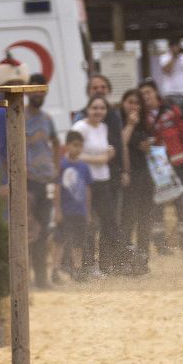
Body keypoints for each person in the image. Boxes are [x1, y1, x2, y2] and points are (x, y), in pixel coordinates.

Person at [140, 79, 183, 255]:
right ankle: (161, 246)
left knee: (181, 203)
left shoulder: (172, 111)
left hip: (177, 164)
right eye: (142, 95)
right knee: (157, 204)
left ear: (155, 93)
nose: (145, 97)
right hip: (156, 168)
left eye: (148, 92)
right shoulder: (141, 117)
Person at [70, 96, 118, 275]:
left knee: (108, 222)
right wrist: (100, 159)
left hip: (102, 181)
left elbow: (106, 152)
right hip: (84, 182)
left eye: (102, 108)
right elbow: (73, 153)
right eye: (94, 108)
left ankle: (105, 263)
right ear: (87, 109)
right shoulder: (80, 128)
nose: (98, 111)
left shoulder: (103, 128)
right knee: (87, 223)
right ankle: (85, 265)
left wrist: (107, 155)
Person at [23, 73, 61, 289]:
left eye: (41, 88)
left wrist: (55, 168)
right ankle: (24, 279)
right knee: (27, 228)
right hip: (26, 182)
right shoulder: (19, 116)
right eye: (34, 88)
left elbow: (56, 142)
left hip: (45, 180)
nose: (38, 92)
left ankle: (42, 279)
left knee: (44, 229)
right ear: (27, 90)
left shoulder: (47, 119)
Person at [118, 87, 156, 275]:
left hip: (145, 178)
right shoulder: (120, 123)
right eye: (130, 102)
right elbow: (120, 143)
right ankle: (126, 260)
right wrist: (130, 125)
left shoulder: (144, 124)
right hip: (128, 178)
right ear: (123, 103)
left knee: (145, 221)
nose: (134, 106)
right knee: (127, 221)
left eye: (137, 103)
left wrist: (148, 146)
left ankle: (142, 260)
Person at [51, 130, 92, 282]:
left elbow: (87, 189)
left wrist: (87, 212)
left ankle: (78, 270)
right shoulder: (61, 165)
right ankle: (55, 270)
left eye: (81, 146)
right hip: (65, 210)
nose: (78, 149)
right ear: (67, 146)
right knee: (59, 240)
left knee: (78, 242)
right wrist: (57, 211)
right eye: (75, 145)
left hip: (79, 211)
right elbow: (57, 188)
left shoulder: (84, 167)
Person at [158, 38, 183, 114]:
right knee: (171, 115)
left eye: (177, 46)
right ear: (170, 47)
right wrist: (174, 57)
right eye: (174, 46)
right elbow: (166, 70)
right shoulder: (164, 57)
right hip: (170, 92)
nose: (176, 48)